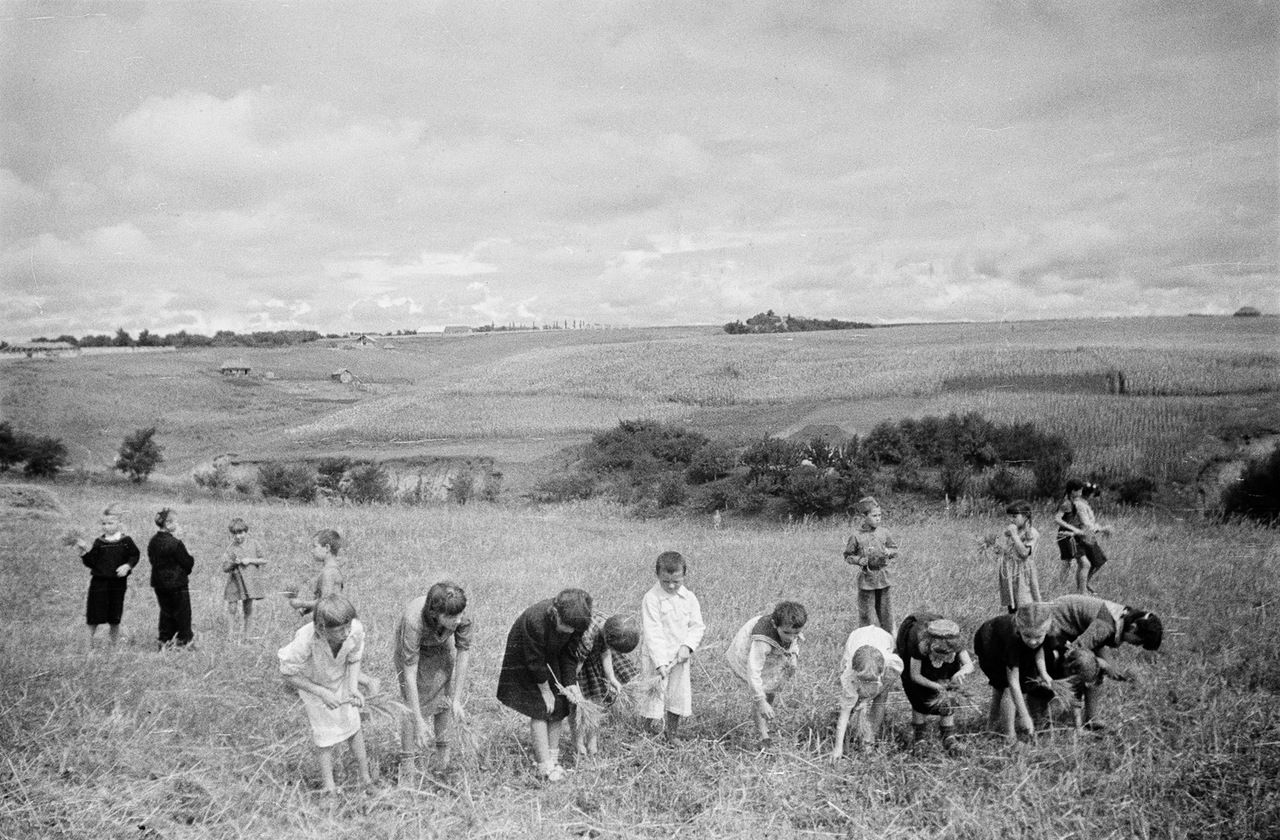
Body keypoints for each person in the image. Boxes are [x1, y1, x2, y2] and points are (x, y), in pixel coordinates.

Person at [278, 595, 372, 795]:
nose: (346, 633)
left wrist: (353, 687)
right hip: (314, 685)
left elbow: (354, 658)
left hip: (340, 679)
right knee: (324, 735)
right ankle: (329, 788)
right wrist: (321, 693)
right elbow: (287, 672)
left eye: (348, 626)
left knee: (353, 725)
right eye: (339, 630)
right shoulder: (305, 639)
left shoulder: (354, 630)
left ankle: (366, 779)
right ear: (321, 628)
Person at [496, 589, 591, 782]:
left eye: (573, 629)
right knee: (540, 708)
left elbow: (569, 654)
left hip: (552, 654)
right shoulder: (535, 620)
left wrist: (570, 683)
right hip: (526, 656)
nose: (569, 631)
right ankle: (543, 766)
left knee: (559, 706)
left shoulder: (577, 622)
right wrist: (545, 690)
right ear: (555, 613)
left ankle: (553, 760)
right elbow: (534, 660)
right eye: (565, 626)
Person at [1043, 594, 1163, 730]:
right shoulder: (1106, 626)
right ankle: (1067, 716)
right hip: (1054, 627)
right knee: (1086, 666)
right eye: (1137, 642)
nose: (1134, 645)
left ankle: (1092, 719)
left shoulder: (1122, 617)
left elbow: (1097, 642)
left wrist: (1113, 668)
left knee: (1096, 667)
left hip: (1072, 631)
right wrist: (1102, 663)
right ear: (1133, 628)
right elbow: (1074, 651)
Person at [394, 582, 473, 776]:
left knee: (443, 697)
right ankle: (407, 767)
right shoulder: (414, 622)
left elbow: (463, 652)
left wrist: (456, 699)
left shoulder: (460, 613)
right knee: (412, 703)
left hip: (439, 645)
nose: (458, 620)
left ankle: (442, 761)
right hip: (414, 651)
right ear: (434, 614)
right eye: (451, 617)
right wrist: (419, 719)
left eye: (460, 615)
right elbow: (409, 674)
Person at [638, 551, 706, 743]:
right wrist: (660, 663)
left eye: (676, 581)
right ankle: (645, 730)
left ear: (684, 575)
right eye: (665, 581)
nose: (671, 585)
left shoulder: (690, 598)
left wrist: (687, 646)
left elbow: (697, 626)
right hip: (655, 657)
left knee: (677, 693)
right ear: (657, 576)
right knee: (653, 694)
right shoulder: (651, 599)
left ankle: (672, 733)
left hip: (680, 656)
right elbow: (653, 632)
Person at [725, 601, 807, 748]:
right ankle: (763, 735)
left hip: (772, 652)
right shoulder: (762, 643)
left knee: (771, 686)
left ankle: (765, 719)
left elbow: (793, 642)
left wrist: (793, 655)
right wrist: (760, 700)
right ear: (776, 625)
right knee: (762, 689)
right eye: (787, 633)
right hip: (748, 650)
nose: (791, 637)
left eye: (796, 633)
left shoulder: (790, 630)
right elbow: (753, 671)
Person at [973, 603, 1056, 743]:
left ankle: (991, 725)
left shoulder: (1044, 633)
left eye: (1038, 637)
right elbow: (1013, 683)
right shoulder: (1012, 641)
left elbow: (1039, 649)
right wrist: (1024, 716)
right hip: (989, 643)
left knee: (1004, 686)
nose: (1033, 641)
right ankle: (1009, 736)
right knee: (1004, 686)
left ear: (1046, 630)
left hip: (1006, 642)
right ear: (1019, 628)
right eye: (1027, 636)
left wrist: (1043, 673)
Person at [895, 614, 976, 754]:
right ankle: (919, 737)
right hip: (921, 673)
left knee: (948, 698)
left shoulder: (955, 644)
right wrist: (936, 686)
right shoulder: (918, 644)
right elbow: (915, 675)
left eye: (948, 655)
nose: (943, 658)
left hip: (946, 673)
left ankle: (948, 736)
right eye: (939, 654)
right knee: (918, 697)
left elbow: (969, 665)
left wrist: (961, 672)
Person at [571, 612, 640, 758]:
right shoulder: (588, 637)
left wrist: (612, 678)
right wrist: (572, 685)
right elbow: (576, 666)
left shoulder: (610, 626)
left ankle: (592, 741)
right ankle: (578, 742)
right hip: (578, 664)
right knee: (577, 705)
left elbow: (606, 653)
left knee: (596, 702)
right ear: (608, 638)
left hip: (593, 661)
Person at [831, 623, 903, 759]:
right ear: (854, 671)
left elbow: (887, 682)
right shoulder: (849, 673)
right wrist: (837, 748)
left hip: (882, 638)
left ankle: (869, 740)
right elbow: (844, 713)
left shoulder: (892, 663)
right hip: (857, 638)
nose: (866, 682)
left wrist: (869, 698)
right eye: (862, 679)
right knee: (852, 700)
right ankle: (852, 731)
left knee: (881, 698)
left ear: (881, 672)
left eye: (870, 680)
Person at [75, 504, 140, 650]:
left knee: (115, 617)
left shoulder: (126, 541)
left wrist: (127, 566)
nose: (106, 526)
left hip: (117, 584)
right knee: (93, 616)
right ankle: (88, 648)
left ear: (120, 524)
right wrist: (84, 551)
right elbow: (92, 562)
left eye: (110, 523)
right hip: (99, 584)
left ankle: (113, 647)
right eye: (104, 523)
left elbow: (135, 555)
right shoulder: (99, 542)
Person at [843, 496, 898, 632]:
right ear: (864, 517)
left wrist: (888, 552)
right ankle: (867, 638)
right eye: (874, 515)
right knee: (867, 613)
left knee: (886, 612)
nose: (878, 518)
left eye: (879, 515)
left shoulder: (884, 532)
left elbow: (895, 549)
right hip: (867, 579)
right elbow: (847, 556)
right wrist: (858, 560)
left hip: (884, 577)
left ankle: (889, 638)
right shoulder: (856, 536)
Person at [147, 508, 195, 649]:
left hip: (159, 583)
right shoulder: (176, 543)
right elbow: (187, 563)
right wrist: (190, 556)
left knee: (166, 612)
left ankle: (165, 641)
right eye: (176, 522)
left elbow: (152, 560)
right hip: (177, 584)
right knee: (183, 613)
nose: (177, 524)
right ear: (168, 524)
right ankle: (185, 641)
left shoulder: (153, 541)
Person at [1055, 480, 1110, 594]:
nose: (1081, 492)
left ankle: (1070, 589)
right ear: (1073, 491)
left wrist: (1076, 530)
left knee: (1070, 563)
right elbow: (1057, 519)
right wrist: (1074, 529)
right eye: (1079, 490)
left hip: (1073, 535)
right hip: (1067, 536)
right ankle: (1074, 590)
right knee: (1077, 563)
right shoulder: (1068, 503)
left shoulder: (1073, 502)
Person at [222, 518, 267, 640]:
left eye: (240, 533)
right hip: (235, 581)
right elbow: (225, 568)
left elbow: (264, 559)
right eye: (235, 534)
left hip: (249, 582)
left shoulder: (254, 543)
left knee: (248, 608)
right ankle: (230, 636)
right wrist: (233, 563)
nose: (238, 536)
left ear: (246, 532)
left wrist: (250, 560)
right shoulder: (231, 548)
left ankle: (247, 636)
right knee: (232, 607)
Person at [997, 500, 1042, 613]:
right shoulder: (1012, 531)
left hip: (1023, 572)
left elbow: (1024, 553)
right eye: (1010, 517)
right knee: (1012, 602)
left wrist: (1015, 536)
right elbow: (1003, 550)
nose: (1011, 520)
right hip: (1010, 571)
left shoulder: (1032, 533)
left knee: (1024, 602)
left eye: (1015, 516)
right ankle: (1013, 626)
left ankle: (1028, 626)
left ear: (1026, 516)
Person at [287, 529, 344, 617]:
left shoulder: (328, 573)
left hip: (331, 622)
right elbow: (324, 599)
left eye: (315, 546)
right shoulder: (332, 569)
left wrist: (302, 603)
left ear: (327, 548)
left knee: (301, 632)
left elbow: (326, 602)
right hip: (333, 618)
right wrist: (305, 610)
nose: (312, 551)